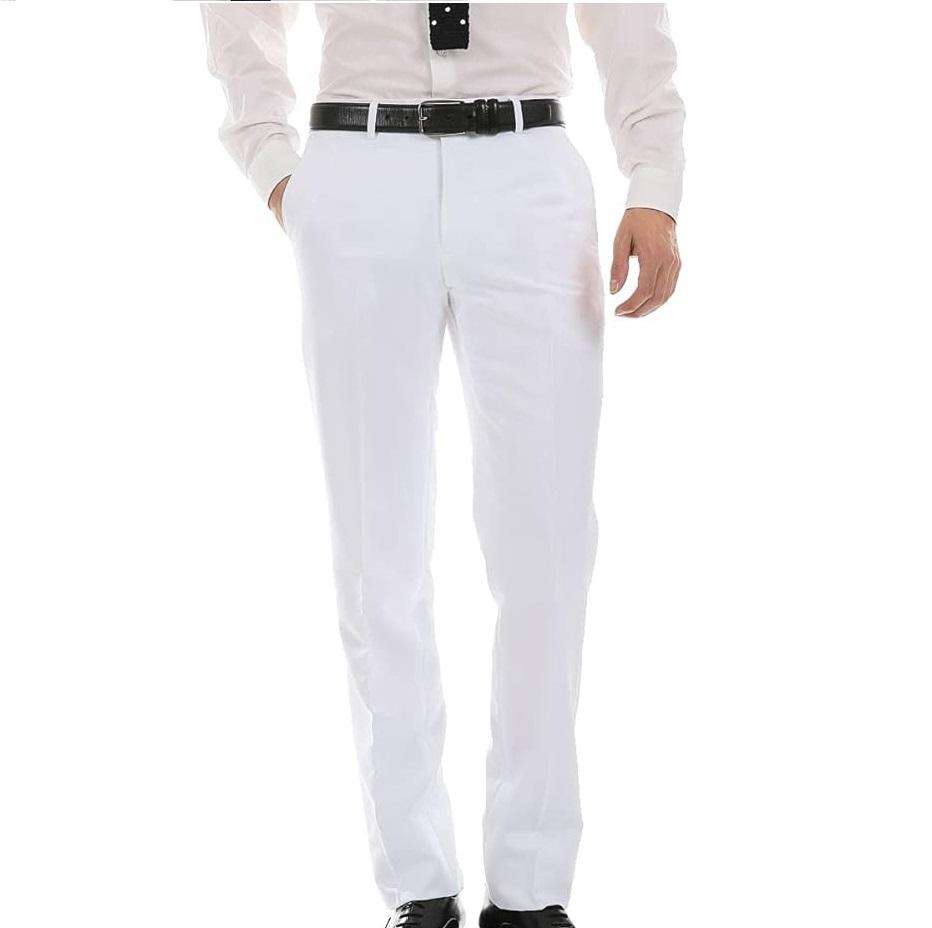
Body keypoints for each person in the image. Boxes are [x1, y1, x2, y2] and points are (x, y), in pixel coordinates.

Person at [201, 4, 684, 927]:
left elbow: (629, 15)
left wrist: (653, 180)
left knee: (547, 545)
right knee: (376, 548)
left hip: (529, 168)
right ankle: (417, 885)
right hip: (358, 166)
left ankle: (531, 888)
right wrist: (273, 162)